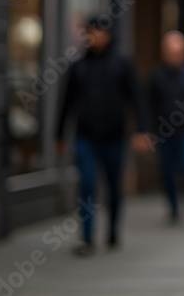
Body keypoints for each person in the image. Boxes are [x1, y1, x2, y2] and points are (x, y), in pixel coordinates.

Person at [56, 17, 149, 256]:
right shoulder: (79, 66)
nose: (96, 37)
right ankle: (87, 237)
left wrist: (141, 130)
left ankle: (113, 229)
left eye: (100, 32)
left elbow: (135, 98)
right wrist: (59, 135)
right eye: (92, 33)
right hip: (86, 135)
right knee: (87, 183)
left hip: (114, 135)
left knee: (113, 185)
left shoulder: (121, 63)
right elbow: (66, 102)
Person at [147, 31, 184, 224]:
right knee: (167, 170)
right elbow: (149, 104)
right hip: (163, 131)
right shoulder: (157, 76)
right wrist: (148, 130)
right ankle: (173, 207)